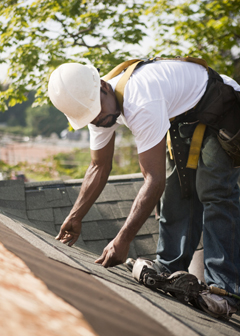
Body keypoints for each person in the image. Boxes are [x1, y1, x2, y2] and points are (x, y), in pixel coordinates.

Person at [48, 59, 240, 318]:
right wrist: (74, 216)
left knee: (214, 190)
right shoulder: (97, 108)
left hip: (221, 107)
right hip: (185, 117)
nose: (101, 122)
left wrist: (123, 239)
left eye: (99, 114)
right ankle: (169, 265)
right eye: (92, 119)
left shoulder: (140, 99)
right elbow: (98, 167)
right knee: (177, 190)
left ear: (104, 86)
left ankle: (225, 290)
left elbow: (153, 180)